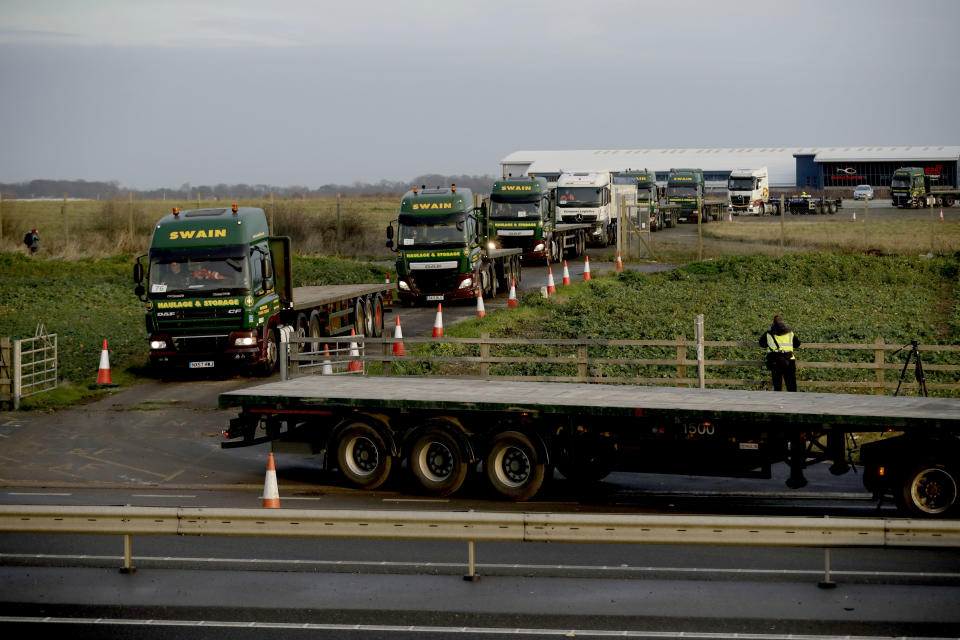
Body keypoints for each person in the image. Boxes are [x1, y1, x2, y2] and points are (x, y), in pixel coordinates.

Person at [759, 314, 801, 392]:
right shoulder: (790, 333)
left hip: (775, 360)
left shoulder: (768, 334)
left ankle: (778, 402)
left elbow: (762, 344)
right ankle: (793, 402)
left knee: (777, 385)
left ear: (773, 323)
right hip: (789, 359)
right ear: (784, 323)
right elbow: (797, 344)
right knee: (791, 384)